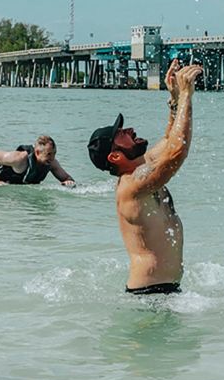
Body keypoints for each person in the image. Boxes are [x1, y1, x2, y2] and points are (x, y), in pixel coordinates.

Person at [86, 60, 202, 296]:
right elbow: (177, 151)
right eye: (121, 134)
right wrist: (188, 96)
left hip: (164, 291)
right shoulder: (132, 186)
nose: (130, 131)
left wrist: (175, 99)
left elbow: (170, 140)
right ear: (116, 156)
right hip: (148, 295)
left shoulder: (143, 167)